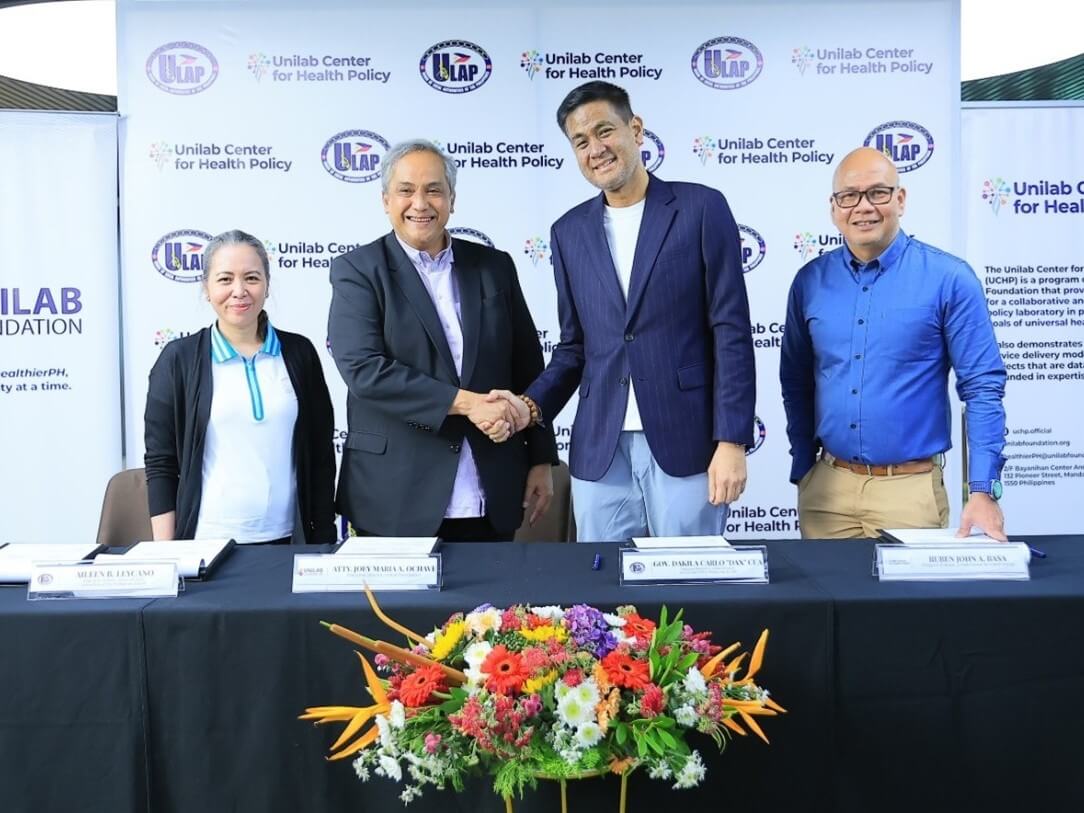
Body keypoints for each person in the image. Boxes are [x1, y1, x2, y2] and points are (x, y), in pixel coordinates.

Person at [492, 81, 755, 541]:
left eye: (604, 131)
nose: (596, 149)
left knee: (689, 590)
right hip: (600, 449)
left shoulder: (700, 208)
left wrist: (731, 440)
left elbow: (730, 331)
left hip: (687, 442)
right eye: (581, 141)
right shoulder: (568, 232)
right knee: (603, 600)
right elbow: (574, 348)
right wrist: (530, 406)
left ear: (636, 129)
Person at [327, 139, 558, 541]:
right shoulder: (358, 271)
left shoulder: (494, 266)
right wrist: (470, 404)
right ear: (385, 200)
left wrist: (540, 458)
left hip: (492, 491)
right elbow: (365, 371)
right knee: (396, 609)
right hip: (395, 500)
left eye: (434, 190)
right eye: (406, 190)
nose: (421, 203)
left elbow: (527, 367)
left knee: (490, 606)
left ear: (451, 199)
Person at [780, 146, 1008, 540]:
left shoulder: (949, 278)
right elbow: (796, 379)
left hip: (910, 494)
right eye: (849, 196)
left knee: (907, 605)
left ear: (900, 200)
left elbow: (983, 388)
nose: (863, 207)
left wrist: (984, 490)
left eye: (878, 193)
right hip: (827, 492)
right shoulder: (809, 282)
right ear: (834, 209)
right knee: (825, 603)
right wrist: (804, 464)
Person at [144, 229, 336, 544]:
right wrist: (168, 555)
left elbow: (320, 455)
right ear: (206, 287)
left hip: (289, 542)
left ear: (267, 284)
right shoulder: (178, 359)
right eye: (224, 279)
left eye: (251, 278)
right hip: (206, 545)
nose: (239, 291)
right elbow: (162, 462)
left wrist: (323, 542)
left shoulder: (299, 353)